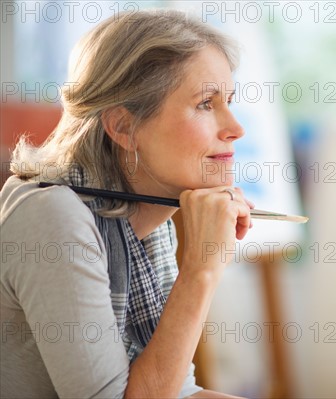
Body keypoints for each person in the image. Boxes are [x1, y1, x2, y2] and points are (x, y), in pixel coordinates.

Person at [1, 9, 253, 398]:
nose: (236, 129)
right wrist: (201, 269)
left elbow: (175, 391)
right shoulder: (52, 217)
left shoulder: (148, 224)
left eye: (229, 101)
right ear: (124, 127)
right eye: (206, 103)